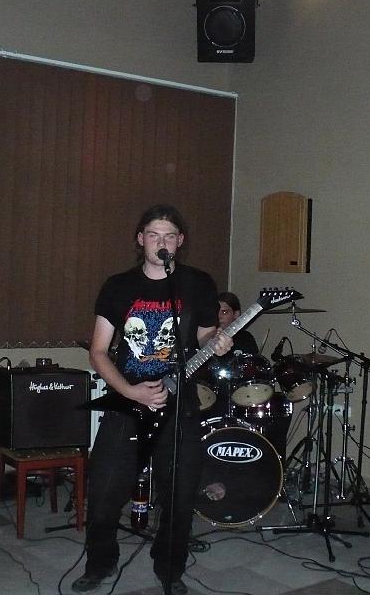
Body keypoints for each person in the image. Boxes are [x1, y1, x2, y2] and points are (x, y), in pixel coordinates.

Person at [73, 205, 232, 595]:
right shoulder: (118, 286)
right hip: (127, 404)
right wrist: (130, 391)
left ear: (180, 241)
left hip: (180, 406)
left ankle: (170, 569)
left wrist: (218, 342)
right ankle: (100, 562)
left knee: (179, 498)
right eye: (154, 235)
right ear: (140, 239)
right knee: (104, 492)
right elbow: (98, 352)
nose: (162, 242)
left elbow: (206, 336)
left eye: (170, 236)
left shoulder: (197, 283)